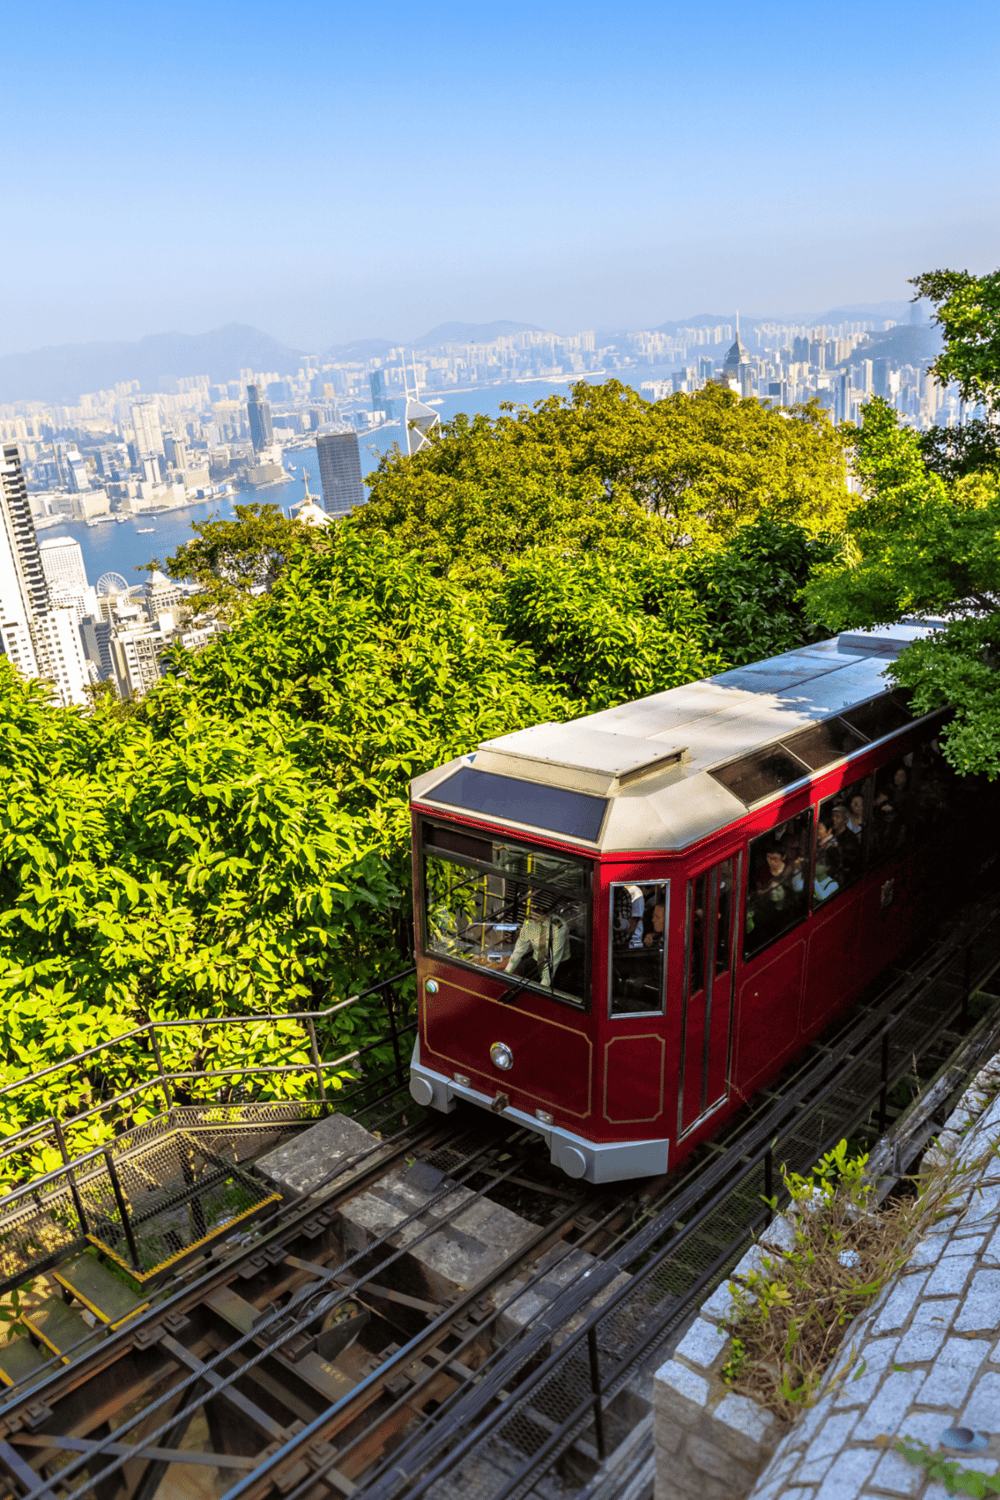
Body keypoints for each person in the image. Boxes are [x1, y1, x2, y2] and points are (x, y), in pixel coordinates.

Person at [830, 803, 862, 881]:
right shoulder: (830, 832)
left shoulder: (851, 838)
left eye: (837, 817)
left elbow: (850, 862)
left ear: (845, 820)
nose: (834, 819)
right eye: (833, 816)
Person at [813, 818, 842, 902]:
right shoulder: (820, 844)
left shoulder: (833, 846)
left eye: (819, 828)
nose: (816, 831)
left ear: (829, 830)